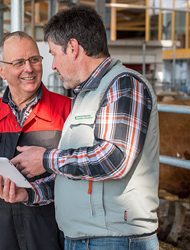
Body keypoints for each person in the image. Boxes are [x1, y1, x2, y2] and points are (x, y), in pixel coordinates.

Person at [11, 5, 160, 250]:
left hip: (114, 240)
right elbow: (79, 174)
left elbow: (114, 159)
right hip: (87, 238)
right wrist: (29, 192)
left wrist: (46, 159)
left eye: (54, 54)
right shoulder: (84, 97)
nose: (53, 66)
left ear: (73, 47)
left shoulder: (123, 85)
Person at [0, 31, 72, 250]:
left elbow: (81, 172)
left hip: (51, 231)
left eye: (34, 60)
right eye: (19, 62)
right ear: (1, 71)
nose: (29, 68)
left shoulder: (67, 111)